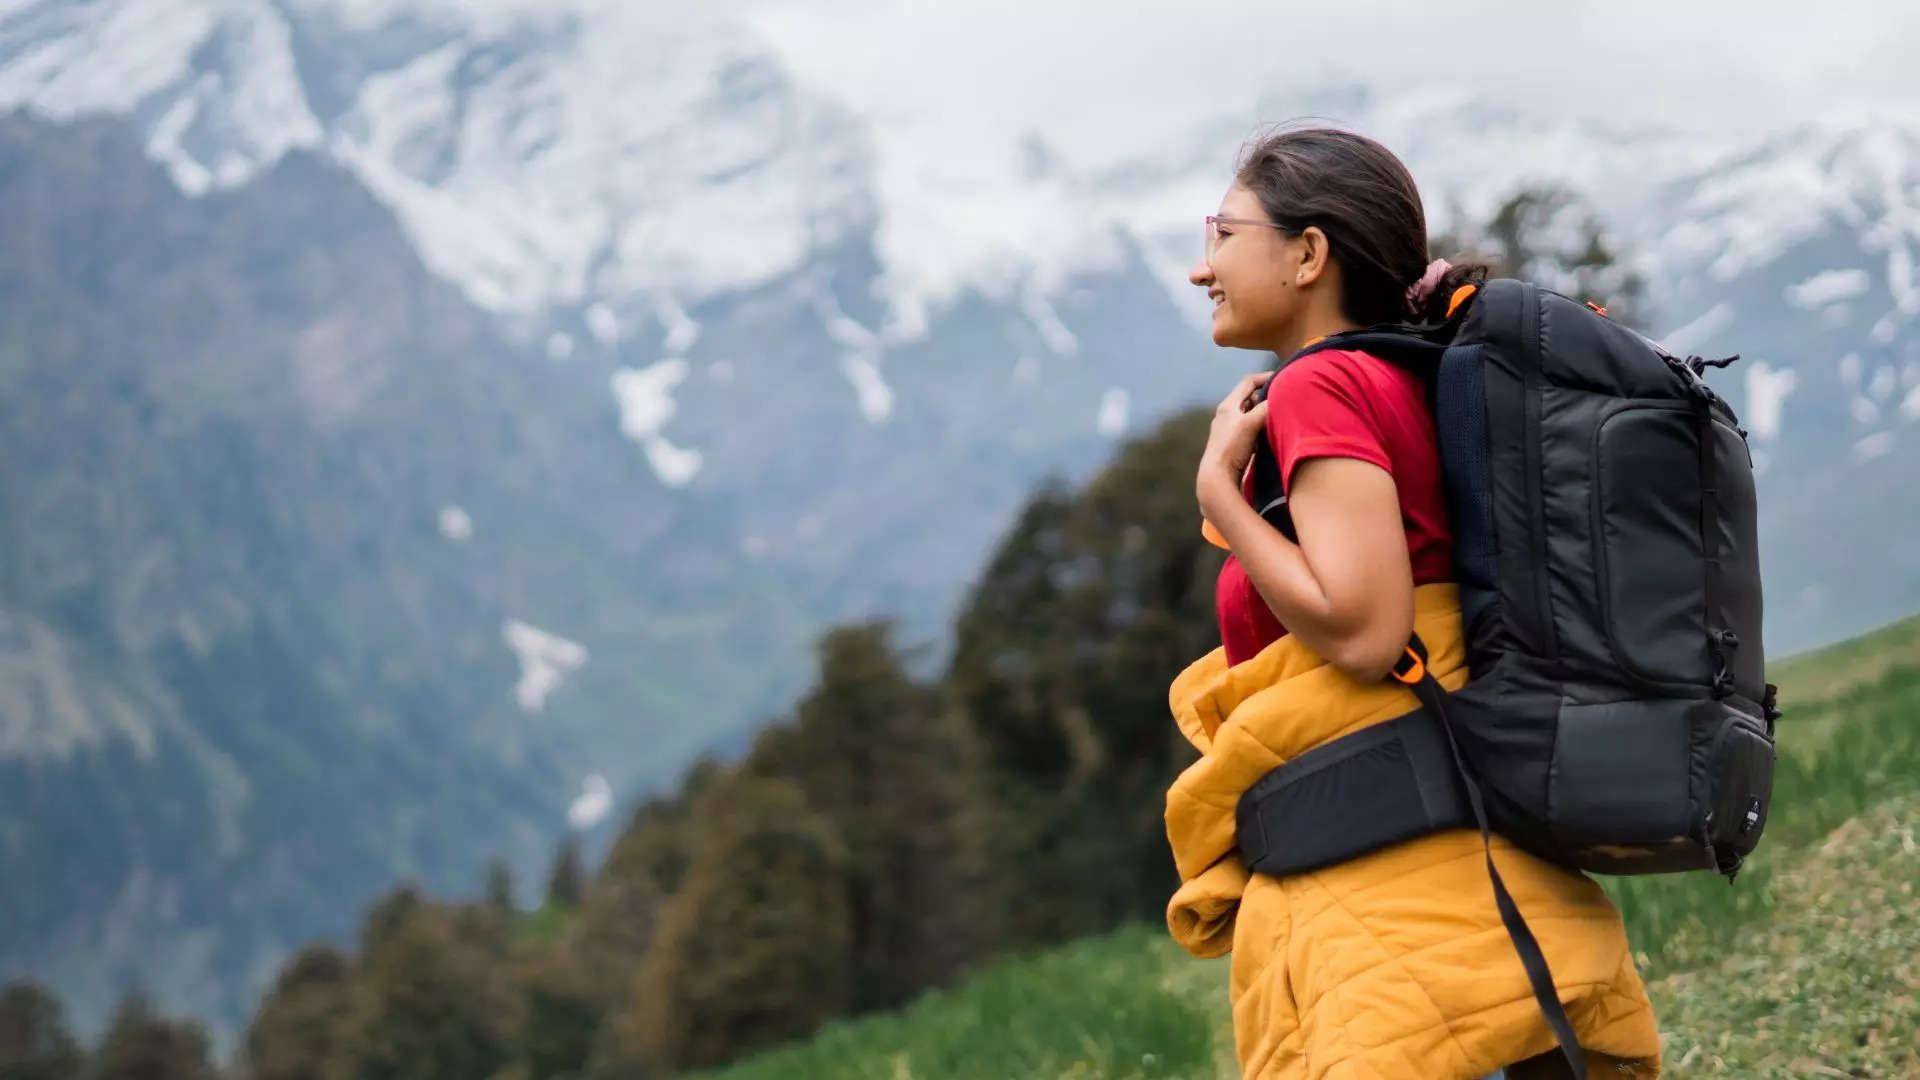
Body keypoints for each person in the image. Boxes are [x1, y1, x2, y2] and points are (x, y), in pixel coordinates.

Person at [1162, 127, 1663, 1079]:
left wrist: (1218, 491)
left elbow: (1364, 629)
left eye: (1222, 233)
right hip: (1448, 896)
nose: (1201, 269)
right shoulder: (1405, 376)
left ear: (1308, 255)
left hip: (1403, 915)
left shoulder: (1324, 384)